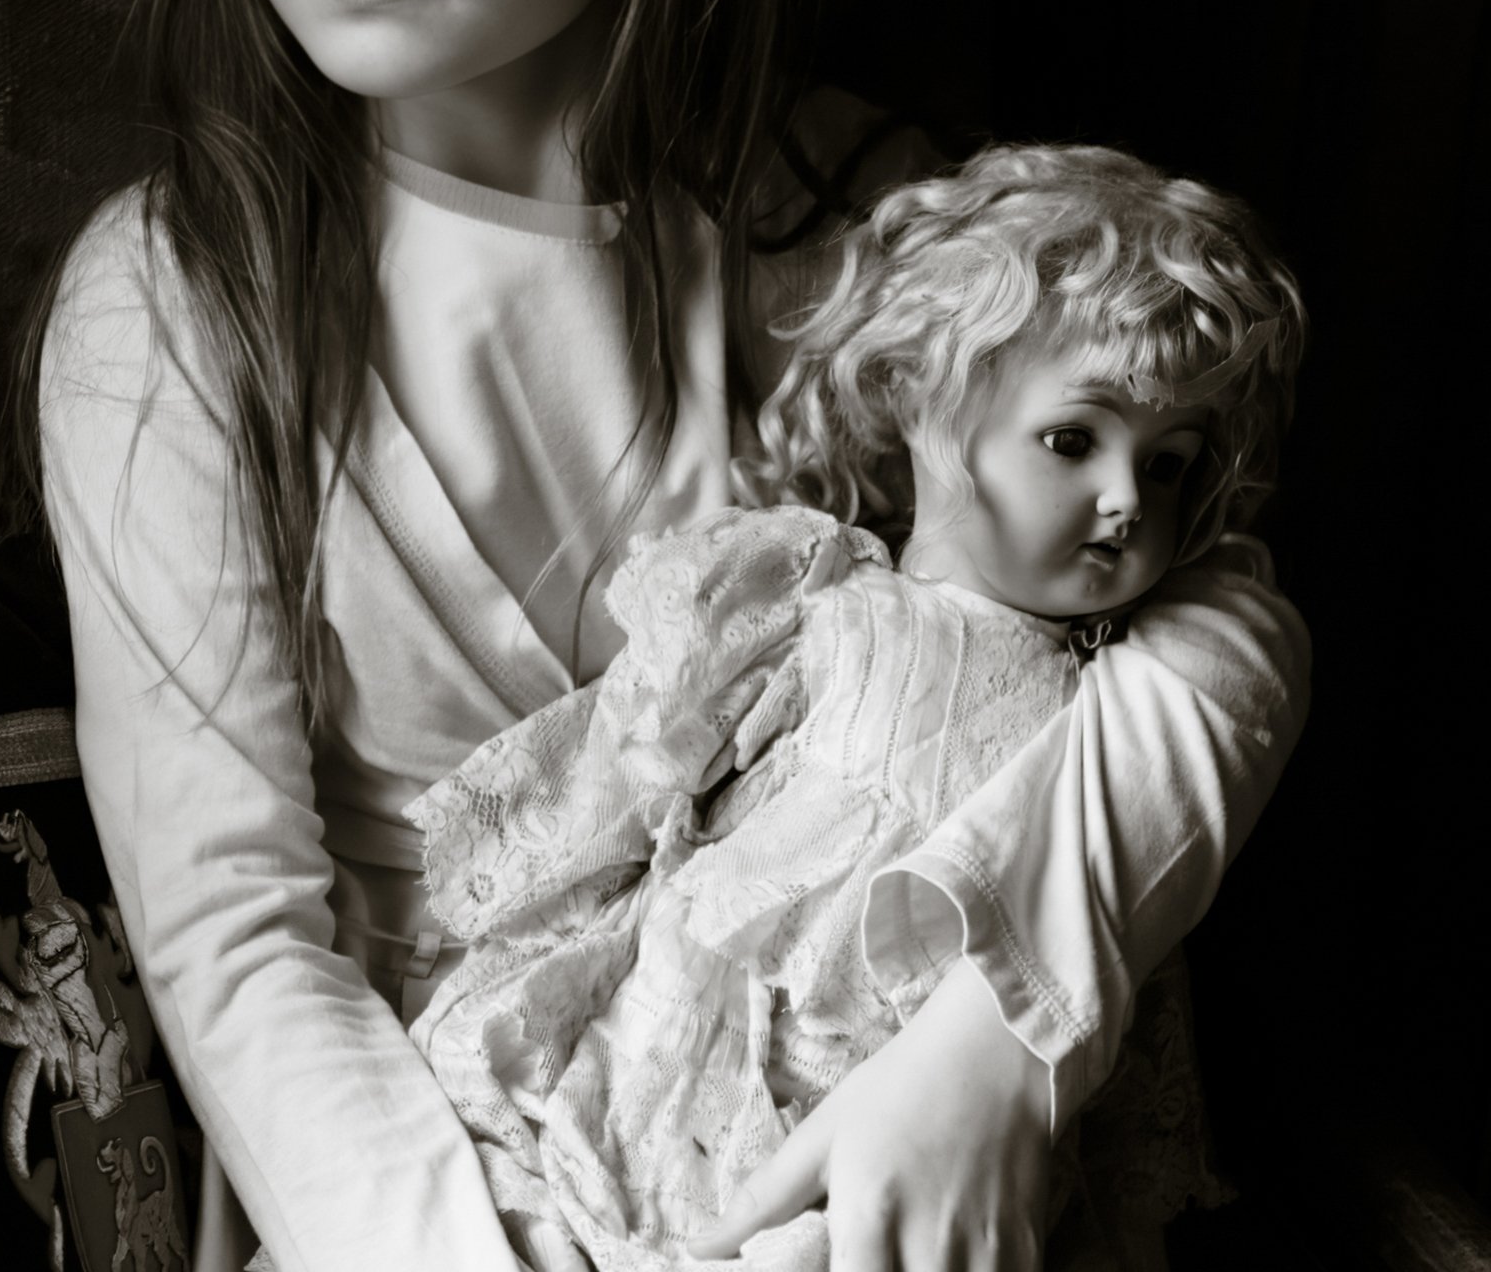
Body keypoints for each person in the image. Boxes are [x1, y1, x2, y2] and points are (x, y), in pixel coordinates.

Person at [24, 0, 1310, 1266]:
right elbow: (237, 933)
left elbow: (1219, 620)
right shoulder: (182, 297)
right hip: (442, 1176)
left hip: (847, 1148)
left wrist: (1008, 1029)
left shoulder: (869, 233)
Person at [405, 143, 1308, 1271]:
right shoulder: (817, 595)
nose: (1127, 501)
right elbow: (636, 782)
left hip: (943, 1134)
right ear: (921, 403)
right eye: (1074, 441)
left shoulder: (1138, 682)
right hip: (713, 1061)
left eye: (1169, 464)